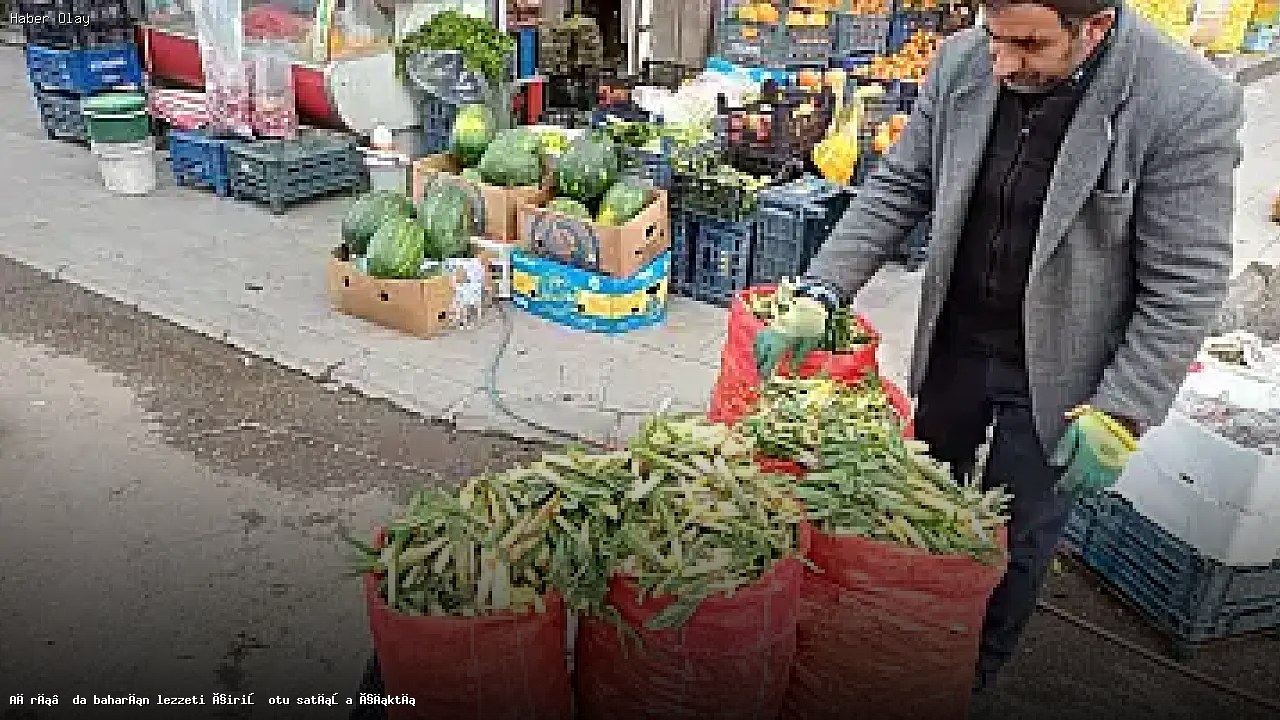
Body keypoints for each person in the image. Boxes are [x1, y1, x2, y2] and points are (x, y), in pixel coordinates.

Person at [793, 0, 1244, 693]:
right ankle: (898, 636)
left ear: (1093, 28)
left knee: (1019, 531)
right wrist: (822, 288)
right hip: (961, 336)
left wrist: (1122, 408)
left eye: (1029, 45)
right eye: (994, 38)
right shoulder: (965, 61)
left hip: (1067, 370)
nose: (1004, 63)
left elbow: (1186, 282)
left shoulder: (1183, 101)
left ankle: (970, 674)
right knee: (920, 493)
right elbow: (900, 184)